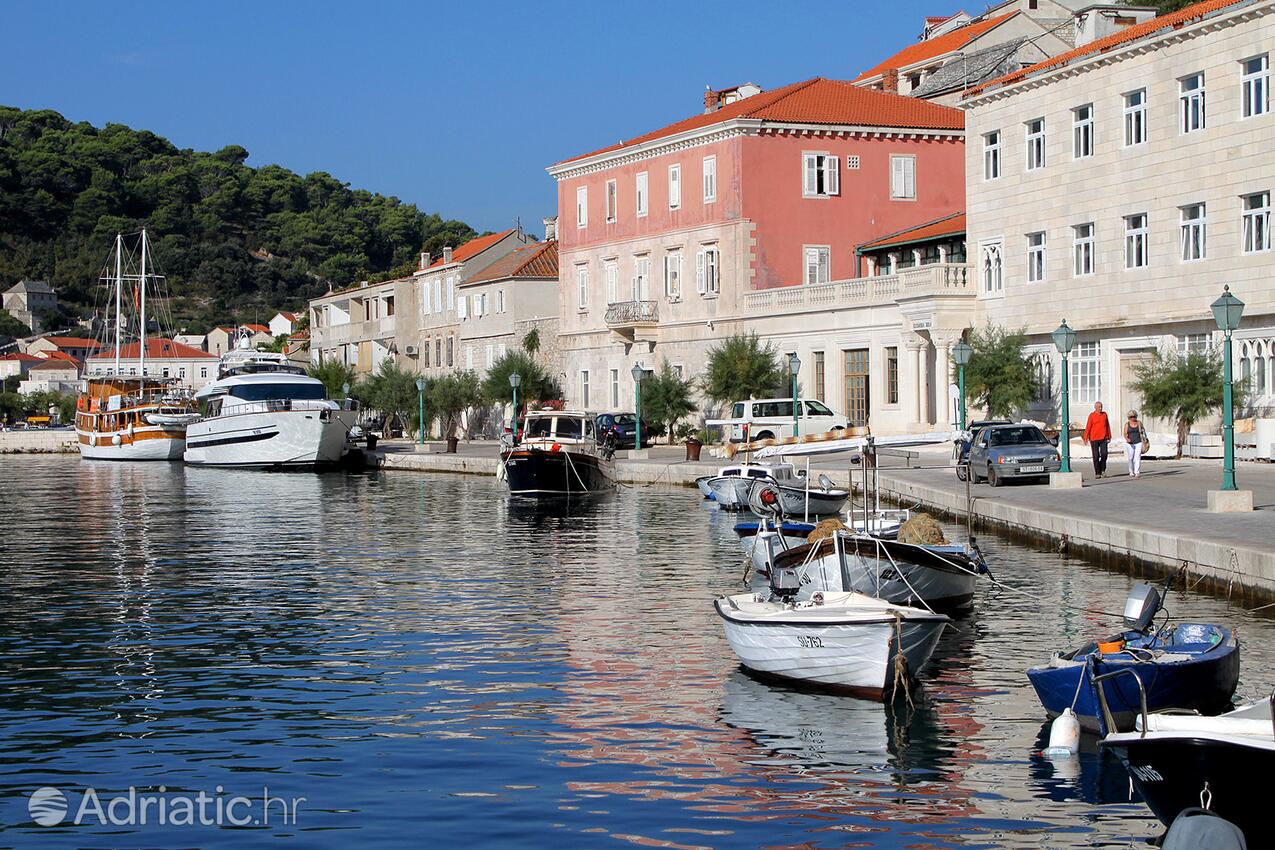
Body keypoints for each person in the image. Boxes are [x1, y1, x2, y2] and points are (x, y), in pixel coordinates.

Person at [1083, 401, 1112, 478]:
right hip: (1094, 439)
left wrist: (1109, 436)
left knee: (1104, 454)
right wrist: (1085, 437)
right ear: (1095, 408)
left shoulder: (1104, 414)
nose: (1100, 408)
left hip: (1104, 438)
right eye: (1099, 407)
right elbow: (1088, 426)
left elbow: (1107, 426)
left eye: (1101, 407)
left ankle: (1103, 470)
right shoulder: (1092, 415)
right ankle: (1097, 472)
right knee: (1096, 456)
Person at [1125, 410, 1148, 478]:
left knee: (1137, 457)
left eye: (1134, 417)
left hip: (1138, 442)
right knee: (1130, 458)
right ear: (1129, 417)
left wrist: (1145, 439)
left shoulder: (1139, 423)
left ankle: (1137, 472)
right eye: (1131, 417)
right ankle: (1131, 471)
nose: (1133, 418)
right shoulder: (1127, 424)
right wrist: (1127, 439)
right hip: (1130, 443)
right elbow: (1125, 433)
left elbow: (1143, 431)